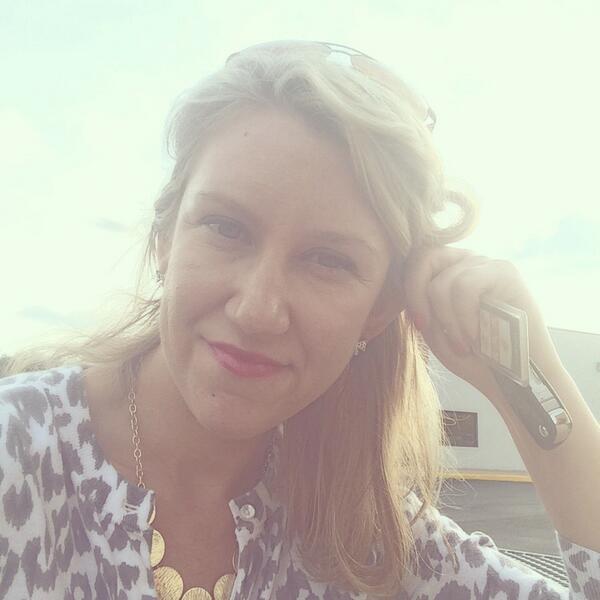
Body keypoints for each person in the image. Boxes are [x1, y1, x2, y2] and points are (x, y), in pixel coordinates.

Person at [0, 40, 598, 600]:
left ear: (378, 311)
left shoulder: (361, 532)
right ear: (164, 239)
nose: (257, 310)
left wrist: (527, 377)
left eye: (328, 260)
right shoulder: (19, 453)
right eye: (226, 228)